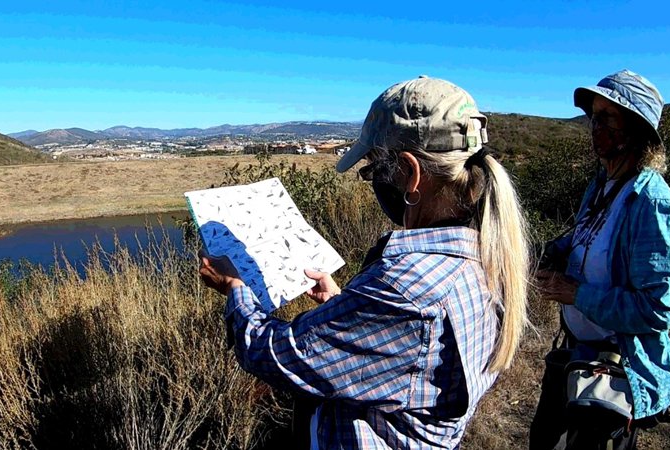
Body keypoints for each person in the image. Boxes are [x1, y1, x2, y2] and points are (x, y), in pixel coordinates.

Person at [199, 76, 531, 449]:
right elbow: (408, 359)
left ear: (409, 174)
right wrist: (347, 306)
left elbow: (272, 353)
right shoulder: (485, 252)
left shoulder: (407, 289)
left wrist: (234, 287)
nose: (373, 182)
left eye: (373, 170)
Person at [530, 70, 670, 450]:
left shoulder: (652, 204)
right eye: (593, 117)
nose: (594, 127)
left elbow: (657, 311)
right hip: (576, 356)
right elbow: (589, 235)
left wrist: (575, 293)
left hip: (613, 372)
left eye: (607, 118)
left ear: (635, 130)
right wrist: (558, 249)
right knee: (543, 440)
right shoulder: (603, 184)